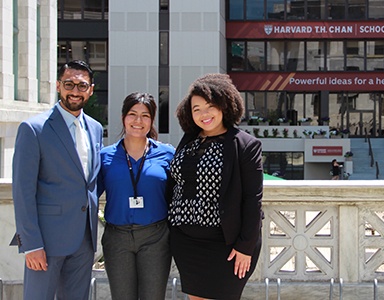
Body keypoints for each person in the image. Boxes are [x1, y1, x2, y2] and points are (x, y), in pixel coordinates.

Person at [12, 60, 103, 300]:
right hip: (46, 242)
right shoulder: (33, 129)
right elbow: (23, 191)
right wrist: (31, 244)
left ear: (91, 89)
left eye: (82, 86)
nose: (75, 91)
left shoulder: (94, 128)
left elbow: (90, 181)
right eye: (69, 84)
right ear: (58, 86)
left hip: (84, 240)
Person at [168, 73, 264, 300]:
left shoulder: (245, 145)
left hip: (227, 246)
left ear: (224, 105)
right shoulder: (188, 140)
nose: (204, 114)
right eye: (196, 109)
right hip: (186, 243)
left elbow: (253, 199)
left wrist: (245, 246)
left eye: (210, 106)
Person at [97, 92, 174, 300]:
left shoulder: (167, 154)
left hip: (156, 238)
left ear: (152, 120)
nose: (138, 121)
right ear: (123, 118)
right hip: (117, 238)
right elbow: (89, 196)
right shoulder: (105, 156)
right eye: (132, 114)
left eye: (145, 115)